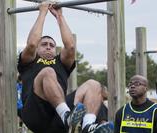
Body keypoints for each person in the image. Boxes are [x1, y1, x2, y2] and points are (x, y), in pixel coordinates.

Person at [17, 2, 113, 133]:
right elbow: (32, 44)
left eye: (51, 45)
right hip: (35, 115)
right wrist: (43, 12)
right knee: (47, 71)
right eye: (44, 44)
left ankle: (87, 126)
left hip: (58, 118)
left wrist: (60, 16)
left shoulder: (60, 63)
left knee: (93, 84)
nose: (48, 46)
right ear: (38, 48)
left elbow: (71, 47)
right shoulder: (29, 62)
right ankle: (66, 116)